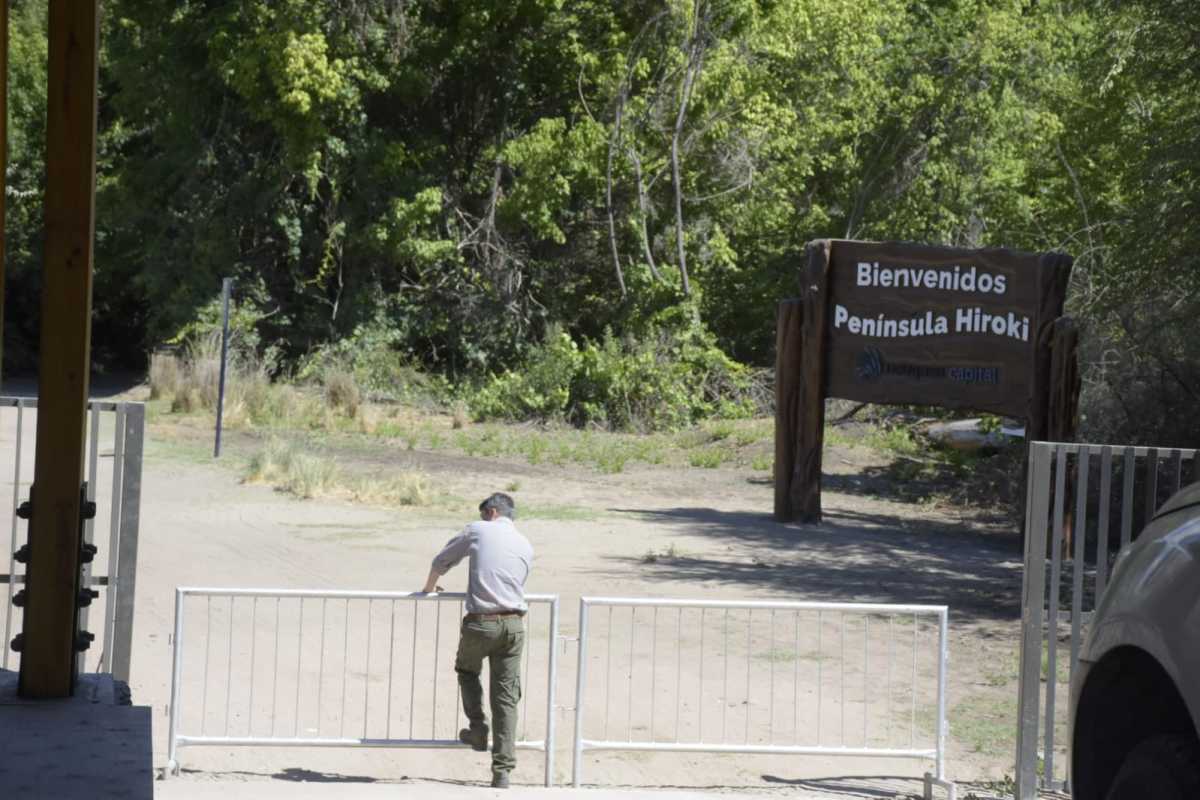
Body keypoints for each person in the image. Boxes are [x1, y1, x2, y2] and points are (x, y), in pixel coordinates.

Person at [421, 492, 533, 789]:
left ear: (492, 512)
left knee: (467, 671)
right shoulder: (525, 543)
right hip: (514, 624)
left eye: (484, 513)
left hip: (481, 622)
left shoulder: (478, 529)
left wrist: (429, 587)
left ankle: (478, 728)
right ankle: (502, 771)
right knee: (506, 698)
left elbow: (443, 560)